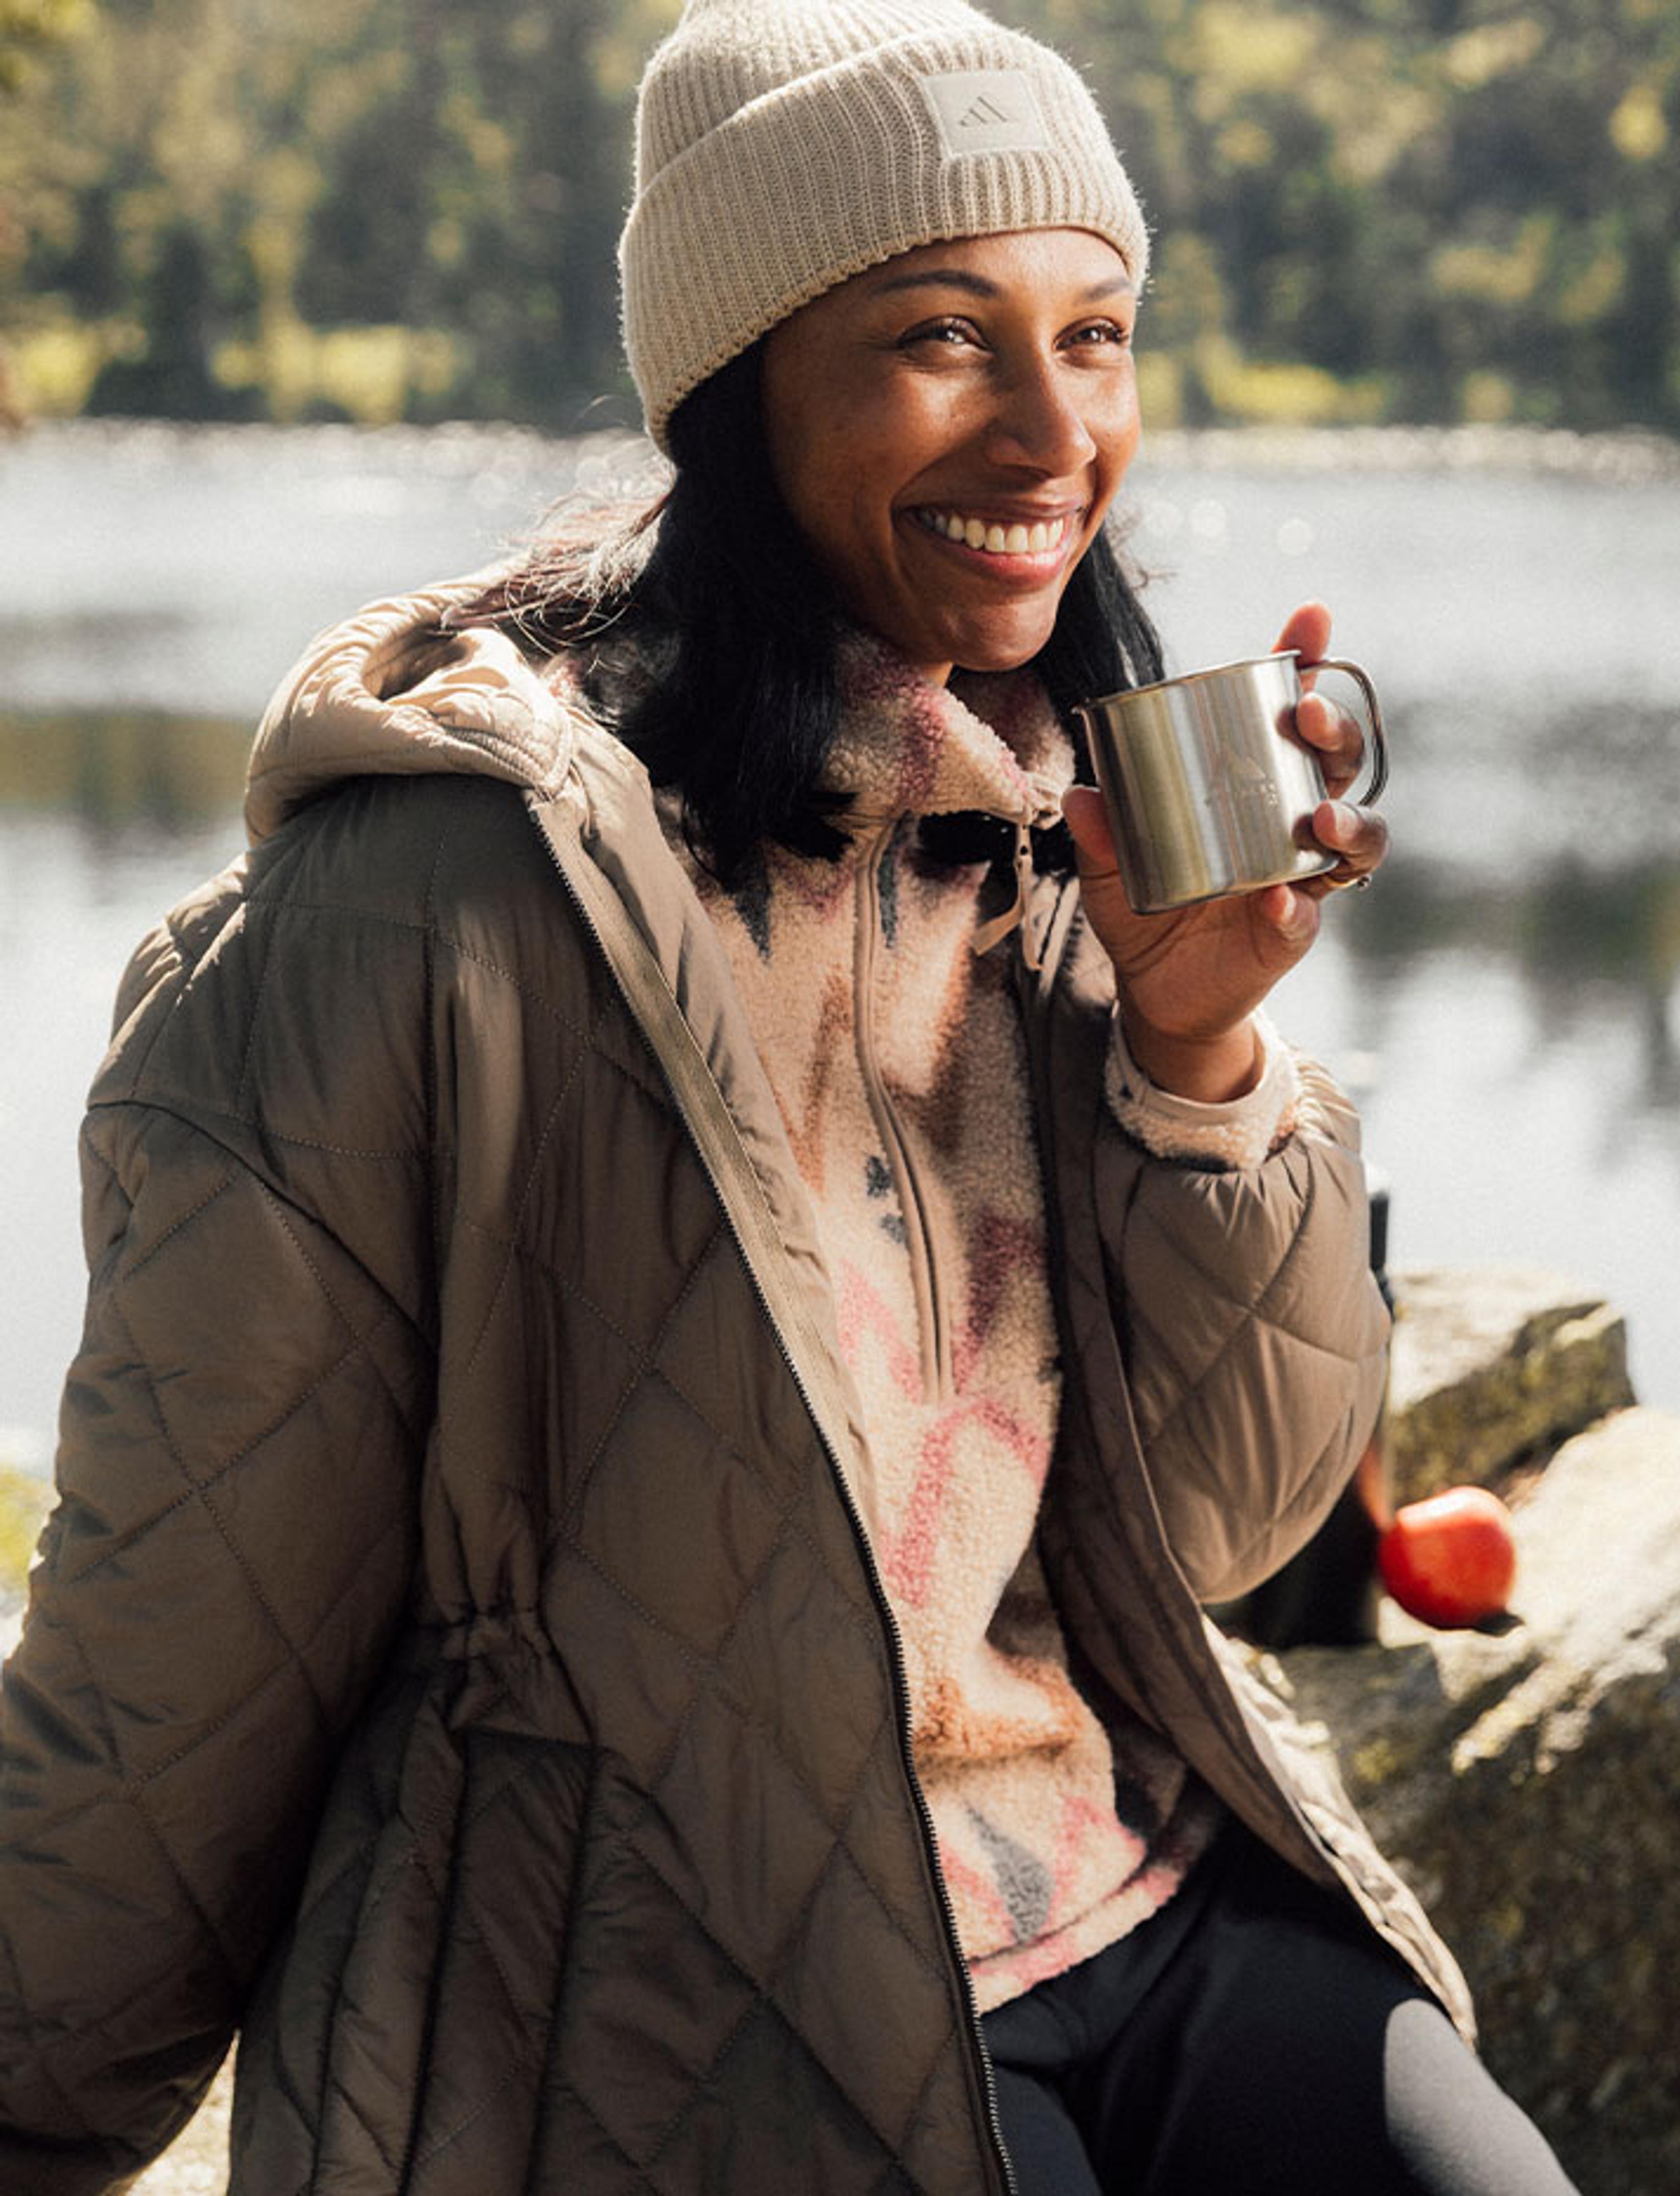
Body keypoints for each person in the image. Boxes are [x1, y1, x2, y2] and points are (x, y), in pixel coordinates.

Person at [0, 2, 1581, 2190]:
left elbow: (1223, 1530)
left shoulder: (1062, 840)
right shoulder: (428, 912)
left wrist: (1203, 1058)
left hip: (1142, 1902)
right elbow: (176, 1654)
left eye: (1098, 334)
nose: (1057, 431)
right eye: (946, 336)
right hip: (675, 2007)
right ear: (742, 393)